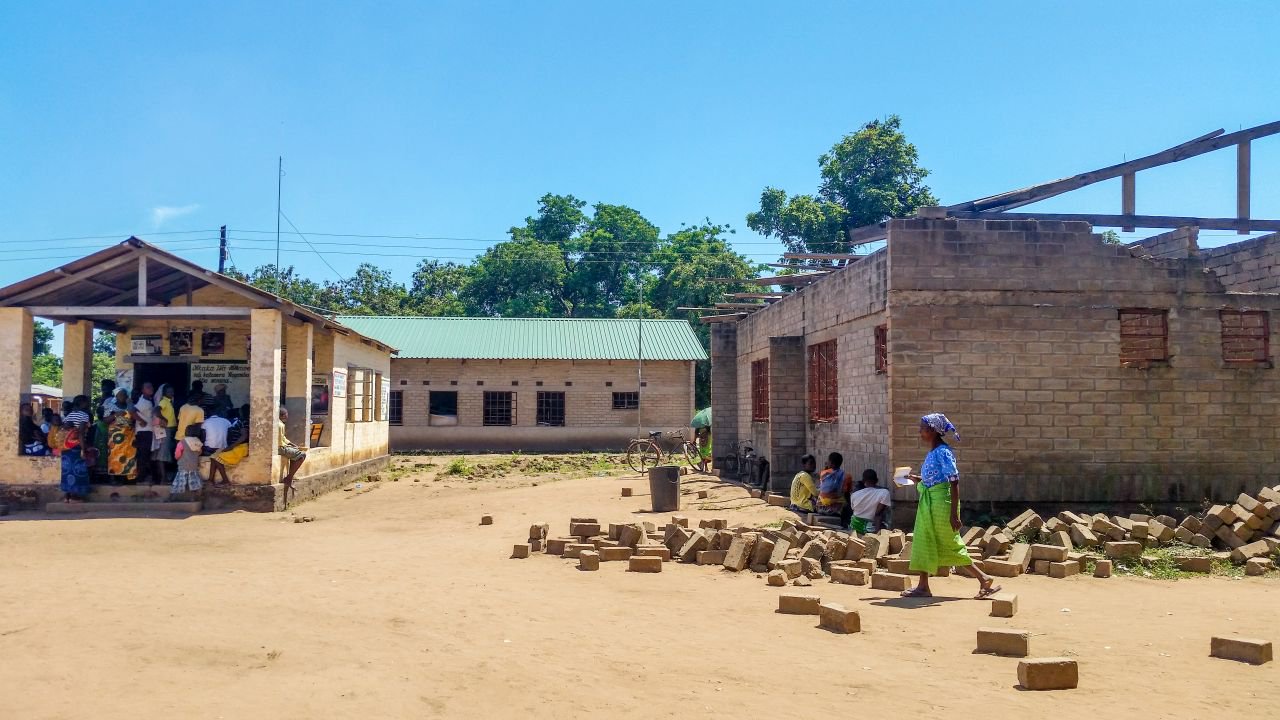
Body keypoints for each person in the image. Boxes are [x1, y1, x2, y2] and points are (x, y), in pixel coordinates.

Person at [902, 413, 1000, 600]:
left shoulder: (943, 452)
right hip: (930, 503)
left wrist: (954, 514)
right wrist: (918, 479)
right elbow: (936, 479)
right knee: (924, 540)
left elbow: (954, 482)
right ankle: (923, 586)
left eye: (922, 428)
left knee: (950, 544)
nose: (919, 432)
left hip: (942, 505)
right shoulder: (933, 452)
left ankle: (984, 578)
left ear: (931, 431)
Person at [59, 399, 92, 502]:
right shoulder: (84, 415)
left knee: (67, 470)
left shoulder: (70, 415)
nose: (89, 404)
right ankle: (75, 496)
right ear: (82, 403)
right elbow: (81, 433)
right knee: (78, 470)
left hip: (66, 447)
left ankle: (67, 495)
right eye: (87, 402)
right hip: (76, 446)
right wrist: (83, 449)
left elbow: (64, 428)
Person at [209, 410, 249, 486]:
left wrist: (231, 446)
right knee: (213, 456)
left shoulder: (243, 422)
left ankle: (225, 480)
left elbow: (244, 437)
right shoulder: (242, 422)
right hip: (238, 446)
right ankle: (210, 480)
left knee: (215, 458)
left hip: (240, 447)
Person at [106, 394, 138, 483]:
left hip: (128, 438)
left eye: (124, 395)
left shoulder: (131, 406)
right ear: (116, 397)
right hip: (115, 439)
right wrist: (116, 415)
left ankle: (127, 478)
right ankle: (114, 478)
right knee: (114, 457)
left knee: (128, 457)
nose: (123, 397)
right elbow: (105, 420)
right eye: (120, 395)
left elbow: (132, 420)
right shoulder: (110, 407)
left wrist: (129, 404)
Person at [849, 469, 892, 533]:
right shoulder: (884, 493)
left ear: (863, 481)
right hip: (871, 528)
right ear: (877, 480)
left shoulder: (854, 495)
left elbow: (853, 509)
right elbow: (877, 513)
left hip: (855, 526)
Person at [130, 382, 156, 485]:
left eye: (151, 386)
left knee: (145, 455)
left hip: (147, 431)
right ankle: (140, 478)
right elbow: (132, 411)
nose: (151, 388)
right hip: (143, 432)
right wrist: (141, 420)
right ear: (143, 390)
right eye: (148, 387)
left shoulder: (148, 400)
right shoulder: (143, 401)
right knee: (143, 456)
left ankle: (142, 477)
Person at [278, 406, 306, 496]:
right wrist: (290, 447)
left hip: (281, 446)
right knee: (302, 456)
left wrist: (292, 445)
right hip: (280, 448)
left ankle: (290, 476)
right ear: (283, 416)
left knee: (295, 454)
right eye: (286, 415)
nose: (287, 417)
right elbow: (280, 442)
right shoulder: (280, 425)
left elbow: (283, 438)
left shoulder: (278, 423)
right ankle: (289, 478)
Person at [171, 426, 204, 500]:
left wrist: (176, 458)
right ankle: (192, 498)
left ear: (186, 432)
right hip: (193, 466)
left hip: (183, 466)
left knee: (178, 483)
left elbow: (177, 455)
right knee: (193, 484)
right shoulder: (197, 442)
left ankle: (172, 498)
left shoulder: (182, 442)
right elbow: (199, 452)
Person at [153, 384, 177, 481]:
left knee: (161, 452)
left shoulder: (169, 402)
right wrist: (164, 419)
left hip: (166, 429)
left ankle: (161, 477)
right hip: (164, 429)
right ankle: (163, 478)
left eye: (172, 391)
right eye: (169, 391)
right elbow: (156, 411)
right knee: (162, 453)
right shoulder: (164, 401)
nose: (171, 393)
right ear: (164, 393)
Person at [815, 452, 850, 517]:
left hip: (820, 507)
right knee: (845, 503)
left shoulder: (823, 473)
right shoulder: (845, 476)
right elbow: (847, 494)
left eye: (828, 461)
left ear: (831, 463)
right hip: (836, 510)